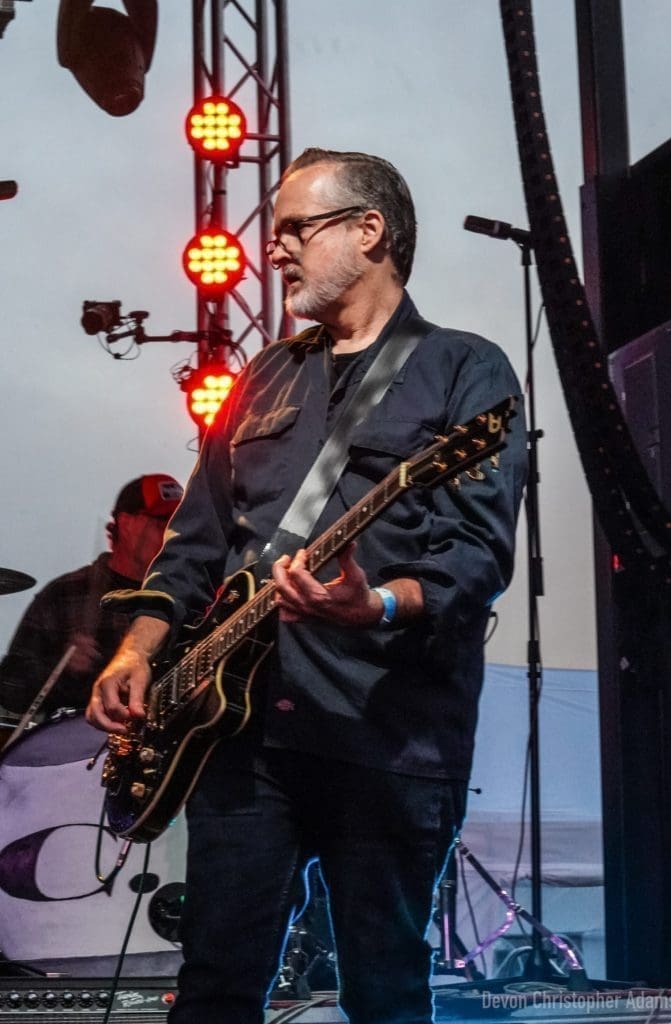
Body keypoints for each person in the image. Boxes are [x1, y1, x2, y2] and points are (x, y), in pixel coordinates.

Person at [87, 149, 528, 1024]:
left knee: (384, 988)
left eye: (295, 227)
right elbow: (194, 545)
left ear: (370, 232)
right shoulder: (262, 378)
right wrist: (138, 649)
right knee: (214, 983)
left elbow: (476, 557)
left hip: (386, 734)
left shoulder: (463, 371)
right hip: (241, 737)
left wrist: (377, 604)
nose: (274, 248)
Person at [0, 474, 182, 719]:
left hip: (167, 747)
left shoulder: (187, 599)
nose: (176, 535)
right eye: (165, 522)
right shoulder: (65, 594)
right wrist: (61, 666)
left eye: (181, 524)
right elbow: (10, 689)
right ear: (126, 523)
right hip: (74, 747)